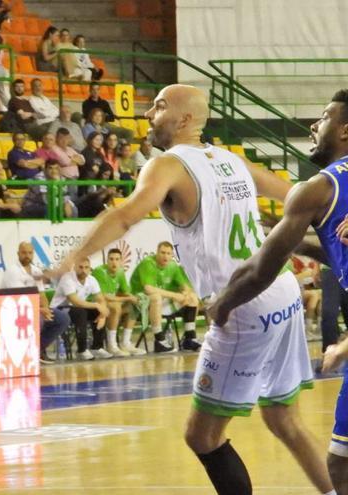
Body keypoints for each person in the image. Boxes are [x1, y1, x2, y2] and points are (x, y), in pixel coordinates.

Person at [57, 84, 333, 495]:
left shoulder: (167, 164)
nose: (149, 112)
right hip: (283, 291)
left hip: (241, 302)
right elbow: (300, 198)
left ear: (185, 119)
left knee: (202, 437)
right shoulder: (233, 161)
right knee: (283, 419)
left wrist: (69, 259)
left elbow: (124, 215)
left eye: (160, 105)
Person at [208, 89, 348, 495]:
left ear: (344, 129)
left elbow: (259, 271)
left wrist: (222, 304)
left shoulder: (318, 188)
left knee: (340, 469)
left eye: (322, 117)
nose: (313, 126)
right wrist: (302, 245)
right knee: (339, 465)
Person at [128, 242, 200, 352]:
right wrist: (175, 295)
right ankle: (159, 341)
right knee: (156, 297)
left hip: (162, 303)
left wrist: (185, 293)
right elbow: (148, 289)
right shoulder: (148, 263)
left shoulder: (173, 266)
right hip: (141, 302)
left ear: (172, 255)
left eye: (168, 253)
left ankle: (189, 338)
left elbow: (185, 286)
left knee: (192, 298)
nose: (165, 256)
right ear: (157, 252)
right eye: (162, 253)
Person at [1, 241, 63, 363]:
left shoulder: (36, 271)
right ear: (18, 254)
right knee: (37, 318)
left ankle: (39, 348)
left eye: (30, 253)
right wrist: (40, 310)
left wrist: (46, 309)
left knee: (62, 318)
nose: (27, 256)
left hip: (34, 309)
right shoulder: (13, 271)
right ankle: (29, 352)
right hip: (14, 310)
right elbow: (18, 300)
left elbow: (42, 294)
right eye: (24, 253)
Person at [50, 257, 109, 360]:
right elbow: (75, 301)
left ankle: (97, 347)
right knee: (81, 312)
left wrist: (102, 315)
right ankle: (81, 350)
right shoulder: (67, 278)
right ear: (75, 267)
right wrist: (96, 305)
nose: (83, 270)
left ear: (90, 268)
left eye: (86, 267)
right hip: (59, 310)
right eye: (80, 267)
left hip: (76, 309)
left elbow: (101, 299)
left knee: (97, 311)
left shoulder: (92, 280)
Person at [91, 248, 145, 356]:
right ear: (107, 261)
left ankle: (126, 343)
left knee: (134, 305)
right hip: (96, 304)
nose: (114, 262)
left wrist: (135, 298)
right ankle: (112, 345)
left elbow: (125, 292)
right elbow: (105, 297)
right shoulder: (99, 271)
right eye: (111, 259)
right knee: (116, 306)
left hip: (111, 304)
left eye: (117, 259)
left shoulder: (120, 272)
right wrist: (127, 298)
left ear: (121, 261)